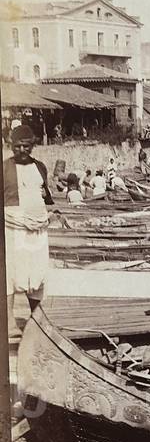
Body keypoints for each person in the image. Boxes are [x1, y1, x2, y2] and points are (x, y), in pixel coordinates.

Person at [4, 125, 54, 313]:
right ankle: (8, 320)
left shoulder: (40, 167)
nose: (22, 150)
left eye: (26, 146)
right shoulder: (4, 167)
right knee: (11, 273)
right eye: (17, 146)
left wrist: (45, 196)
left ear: (32, 145)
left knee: (37, 273)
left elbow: (47, 196)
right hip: (12, 228)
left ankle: (36, 317)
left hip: (38, 228)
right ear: (11, 146)